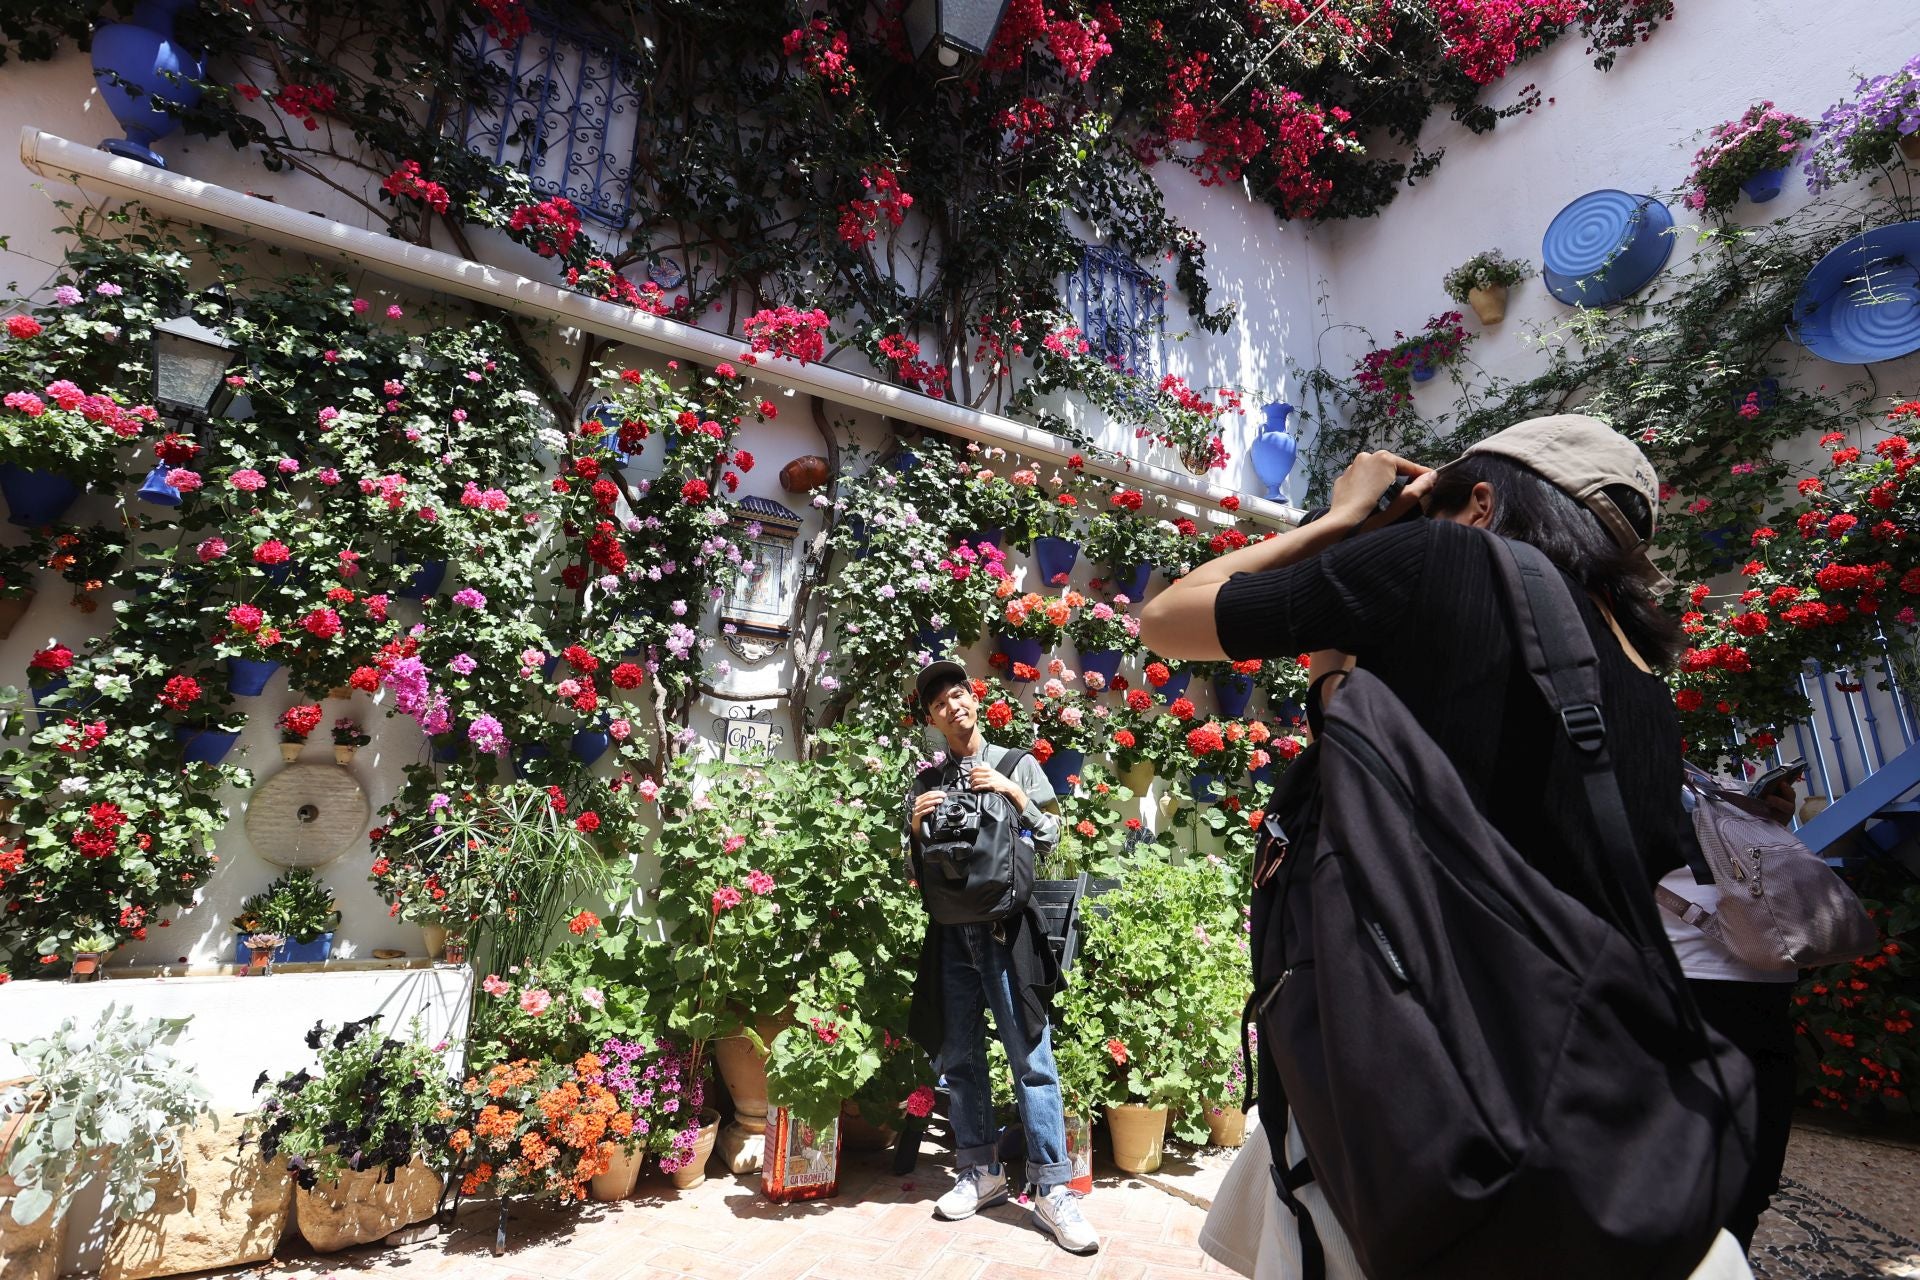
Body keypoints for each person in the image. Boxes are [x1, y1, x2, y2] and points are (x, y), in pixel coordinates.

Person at [1146, 414, 1752, 1279]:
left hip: (1416, 1090)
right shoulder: (1644, 681)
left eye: (1433, 504)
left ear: (1482, 504)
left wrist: (1343, 519)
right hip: (1571, 1103)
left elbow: (1168, 619)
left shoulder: (1445, 558)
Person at [903, 659, 1100, 1257]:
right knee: (959, 1059)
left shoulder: (1017, 764)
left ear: (974, 699)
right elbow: (919, 873)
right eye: (939, 703)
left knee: (1031, 1059)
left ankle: (1052, 1188)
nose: (953, 707)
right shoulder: (928, 781)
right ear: (932, 719)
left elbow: (1052, 839)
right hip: (951, 937)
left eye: (958, 694)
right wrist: (914, 828)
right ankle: (980, 1171)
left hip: (1005, 934)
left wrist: (1014, 795)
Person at [1662, 767, 1803, 1251]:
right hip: (1684, 988)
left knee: (1751, 1181)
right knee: (1679, 1183)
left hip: (1765, 995)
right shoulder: (1620, 770)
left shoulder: (1709, 784)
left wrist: (1771, 822)